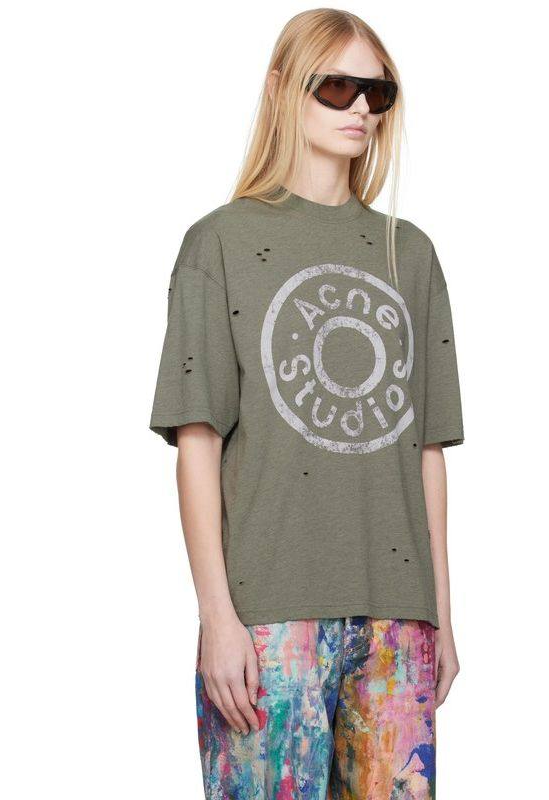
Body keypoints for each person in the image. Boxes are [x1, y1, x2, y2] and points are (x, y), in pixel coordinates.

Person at [149, 9, 465, 799]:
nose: (360, 107)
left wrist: (440, 616)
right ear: (282, 88)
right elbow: (198, 443)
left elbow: (426, 450)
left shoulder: (410, 254)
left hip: (396, 628)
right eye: (337, 86)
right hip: (269, 621)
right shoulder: (218, 244)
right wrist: (217, 617)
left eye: (378, 92)